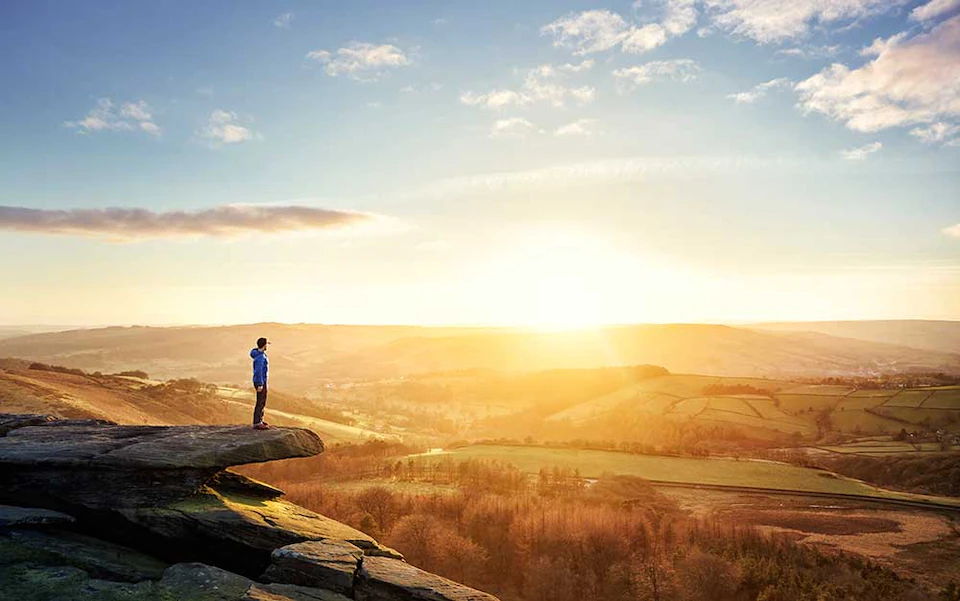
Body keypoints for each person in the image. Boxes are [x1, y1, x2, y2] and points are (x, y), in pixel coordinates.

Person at [250, 337, 270, 430]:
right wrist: (260, 384)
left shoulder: (258, 354)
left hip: (261, 381)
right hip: (260, 381)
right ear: (264, 345)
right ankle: (257, 422)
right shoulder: (260, 357)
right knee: (260, 402)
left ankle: (259, 420)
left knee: (262, 401)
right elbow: (258, 371)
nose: (267, 346)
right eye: (266, 344)